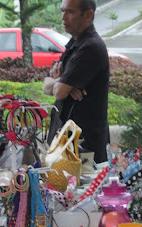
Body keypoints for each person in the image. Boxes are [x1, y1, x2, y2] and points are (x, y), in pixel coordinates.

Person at [43, 0, 110, 163]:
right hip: (64, 141)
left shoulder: (91, 47)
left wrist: (62, 84)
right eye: (62, 11)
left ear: (88, 15)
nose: (63, 17)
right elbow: (46, 85)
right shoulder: (75, 43)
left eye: (70, 12)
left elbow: (59, 92)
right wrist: (63, 81)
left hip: (84, 146)